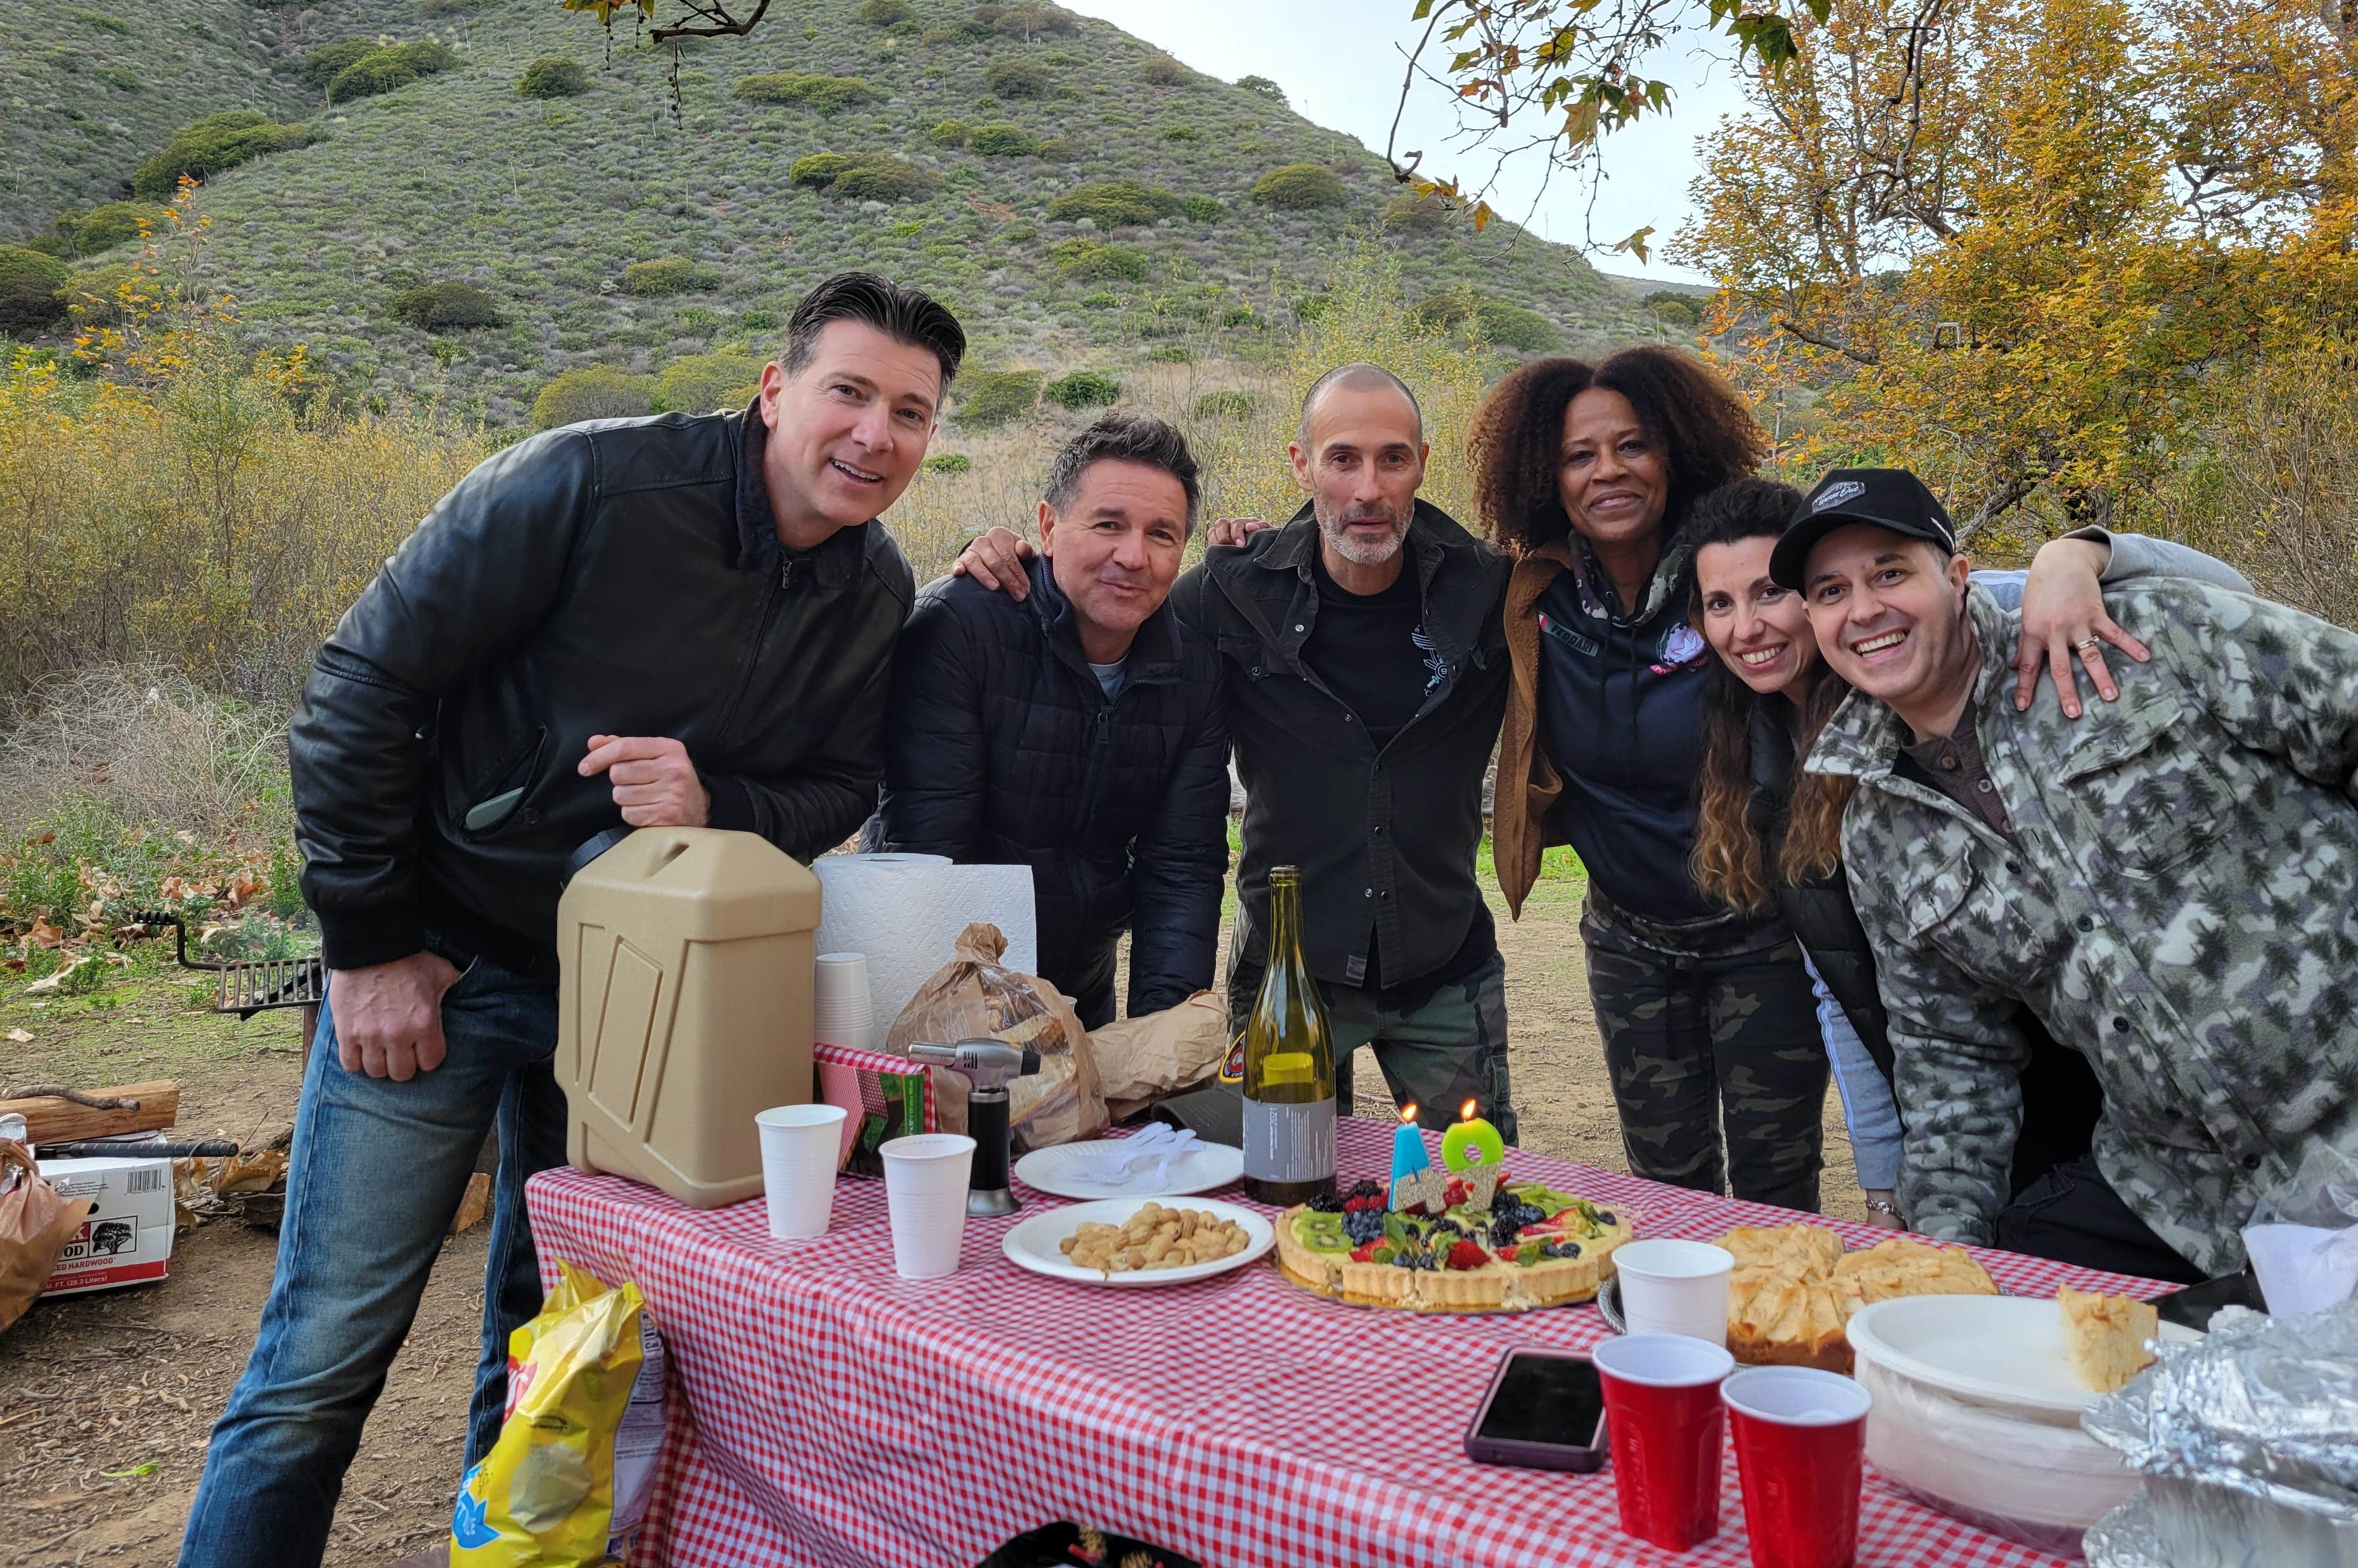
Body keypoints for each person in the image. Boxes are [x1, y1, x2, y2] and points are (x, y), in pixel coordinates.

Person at [181, 272, 965, 1568]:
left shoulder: (876, 591)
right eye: (848, 392)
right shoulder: (587, 487)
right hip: (444, 968)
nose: (874, 435)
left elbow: (845, 786)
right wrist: (372, 946)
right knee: (319, 1367)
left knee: (558, 1352)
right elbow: (357, 693)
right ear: (775, 389)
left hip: (641, 1020)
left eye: (911, 412)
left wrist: (718, 798)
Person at [1778, 466, 2358, 1278]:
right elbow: (1948, 1057)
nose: (1864, 609)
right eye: (1832, 592)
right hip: (2193, 1200)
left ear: (1957, 574)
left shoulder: (2139, 634)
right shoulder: (1879, 830)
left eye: (1890, 572)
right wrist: (1942, 1252)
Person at [952, 364, 1519, 1133]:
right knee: (1270, 1185)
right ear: (1301, 463)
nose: (1368, 489)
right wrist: (1009, 560)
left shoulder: (1492, 591)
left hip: (1443, 967)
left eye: (1393, 458)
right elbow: (1106, 613)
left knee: (1481, 1192)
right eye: (1342, 458)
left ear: (1423, 460)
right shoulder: (1231, 590)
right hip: (1286, 972)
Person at [1684, 476, 2249, 1227]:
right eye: (1720, 604)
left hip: (2140, 1074)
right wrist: (1886, 1174)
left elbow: (2227, 590)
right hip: (1981, 1101)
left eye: (1767, 594)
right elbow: (1848, 988)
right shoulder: (1761, 759)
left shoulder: (1948, 652)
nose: (1747, 627)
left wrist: (2078, 556)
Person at [1471, 349, 1819, 1201]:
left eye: (1633, 446)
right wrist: (1260, 542)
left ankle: (1780, 1340)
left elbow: (1896, 584)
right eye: (1579, 455)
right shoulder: (1535, 599)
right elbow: (1388, 560)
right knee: (1665, 1194)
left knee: (1779, 1196)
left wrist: (2080, 558)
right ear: (1544, 476)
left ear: (1677, 452)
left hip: (1763, 944)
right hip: (1628, 945)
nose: (1608, 472)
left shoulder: (1739, 578)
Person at [876, 412, 1229, 1027]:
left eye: (1162, 535)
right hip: (944, 994)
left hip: (1080, 983)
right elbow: (931, 853)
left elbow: (1180, 871)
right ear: (1047, 525)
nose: (1132, 556)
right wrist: (988, 1033)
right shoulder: (961, 631)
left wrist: (1157, 1041)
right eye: (1108, 525)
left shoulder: (1194, 674)